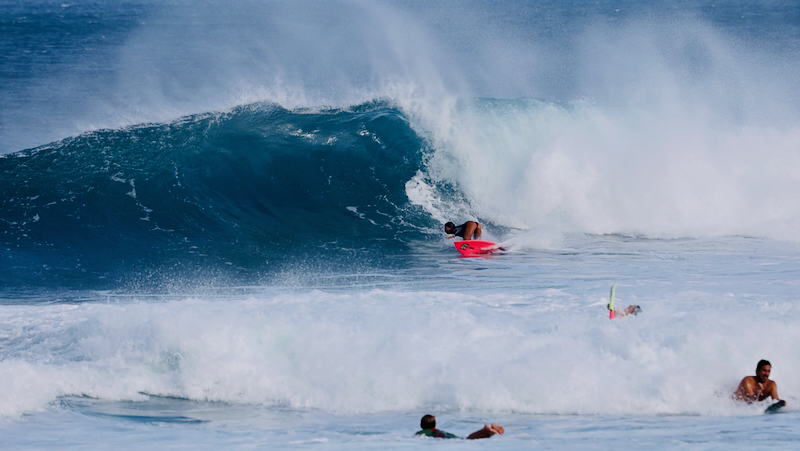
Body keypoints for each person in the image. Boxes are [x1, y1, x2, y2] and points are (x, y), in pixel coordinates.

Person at [415, 414, 505, 440]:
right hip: (449, 436)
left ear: (421, 425)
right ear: (435, 424)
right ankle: (488, 431)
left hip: (444, 438)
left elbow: (419, 436)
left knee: (469, 439)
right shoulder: (437, 430)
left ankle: (487, 431)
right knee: (468, 438)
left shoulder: (424, 432)